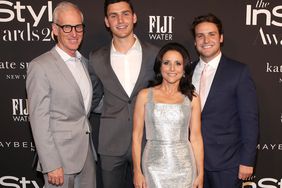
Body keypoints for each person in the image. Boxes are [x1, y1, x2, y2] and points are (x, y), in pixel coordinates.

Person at [26, 2, 103, 188]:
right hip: (59, 160)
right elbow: (38, 119)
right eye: (67, 27)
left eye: (78, 27)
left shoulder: (84, 63)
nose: (74, 33)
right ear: (55, 29)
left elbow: (89, 104)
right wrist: (51, 164)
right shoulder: (40, 66)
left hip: (85, 156)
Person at [89, 0, 159, 187]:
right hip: (110, 143)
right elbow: (93, 97)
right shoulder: (96, 58)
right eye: (113, 15)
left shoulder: (155, 54)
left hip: (147, 142)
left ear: (134, 17)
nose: (120, 20)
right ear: (106, 21)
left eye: (125, 13)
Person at [191, 13, 259, 188]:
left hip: (227, 163)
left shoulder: (239, 72)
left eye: (211, 34)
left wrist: (247, 161)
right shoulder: (186, 72)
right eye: (200, 35)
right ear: (195, 41)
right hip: (191, 162)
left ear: (220, 38)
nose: (206, 40)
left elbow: (250, 120)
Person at [132, 42, 204, 188]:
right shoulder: (145, 95)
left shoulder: (192, 98)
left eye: (178, 63)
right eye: (167, 63)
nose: (172, 69)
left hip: (184, 165)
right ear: (160, 66)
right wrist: (137, 170)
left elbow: (196, 137)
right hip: (153, 165)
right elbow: (137, 136)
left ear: (184, 69)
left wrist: (200, 173)